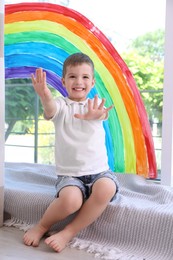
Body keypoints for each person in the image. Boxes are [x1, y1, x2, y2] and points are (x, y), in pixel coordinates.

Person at [23, 52, 119, 253]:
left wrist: (95, 115)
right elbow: (50, 110)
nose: (79, 81)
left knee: (107, 188)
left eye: (85, 77)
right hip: (70, 176)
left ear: (92, 83)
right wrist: (45, 95)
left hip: (99, 172)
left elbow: (102, 113)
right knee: (71, 200)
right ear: (63, 81)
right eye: (73, 76)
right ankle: (42, 226)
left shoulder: (95, 104)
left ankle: (69, 231)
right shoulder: (61, 105)